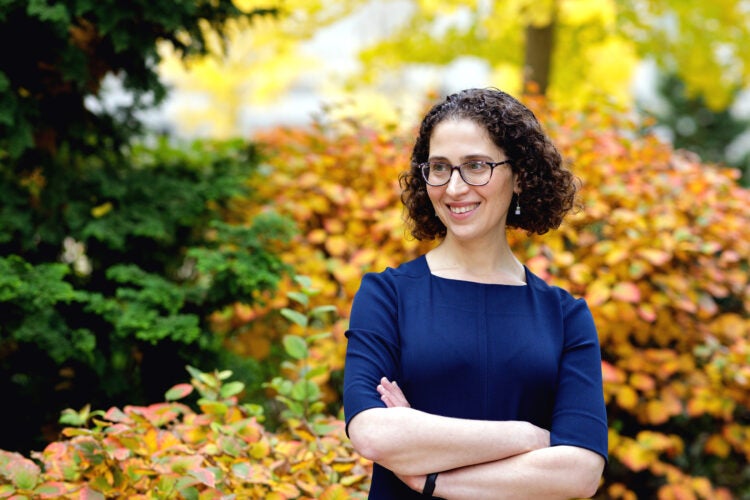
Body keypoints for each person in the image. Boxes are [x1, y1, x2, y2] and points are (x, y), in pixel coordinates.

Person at [343, 88, 608, 499]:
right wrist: (527, 436)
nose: (454, 188)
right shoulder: (386, 296)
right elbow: (373, 432)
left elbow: (580, 472)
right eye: (439, 168)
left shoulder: (565, 315)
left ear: (520, 175)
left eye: (476, 166)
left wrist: (432, 476)